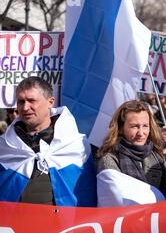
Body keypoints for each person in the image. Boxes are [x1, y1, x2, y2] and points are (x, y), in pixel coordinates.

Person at [0, 77, 97, 206]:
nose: (25, 107)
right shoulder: (6, 146)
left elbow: (87, 191)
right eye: (21, 102)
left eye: (31, 101)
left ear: (50, 102)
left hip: (67, 224)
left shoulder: (76, 144)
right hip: (15, 223)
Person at [96, 100, 166, 207]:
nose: (141, 133)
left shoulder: (156, 156)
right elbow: (115, 200)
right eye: (134, 126)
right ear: (120, 128)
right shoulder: (110, 159)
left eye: (145, 126)